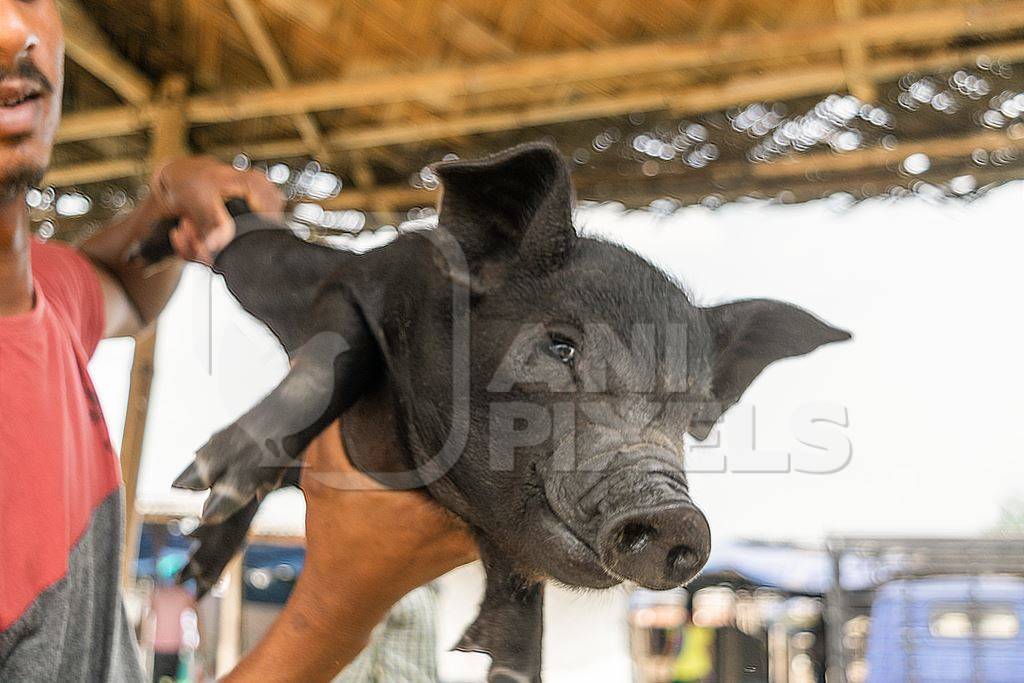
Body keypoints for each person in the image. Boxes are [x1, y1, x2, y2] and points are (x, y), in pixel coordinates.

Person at [0, 1, 476, 680]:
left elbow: (118, 283)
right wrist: (340, 604)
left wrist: (168, 198)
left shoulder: (34, 284)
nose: (14, 31)